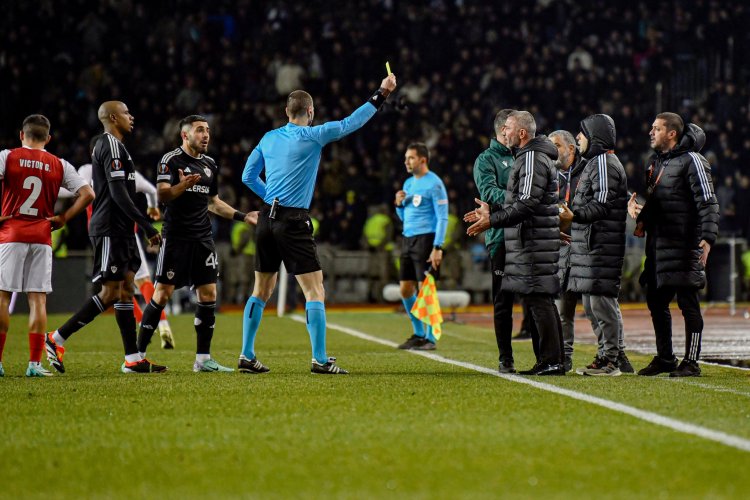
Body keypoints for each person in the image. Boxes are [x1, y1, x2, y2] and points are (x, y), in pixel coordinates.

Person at [240, 73, 398, 375]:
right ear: (310, 112)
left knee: (260, 289)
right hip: (292, 220)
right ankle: (320, 359)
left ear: (287, 112)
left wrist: (271, 198)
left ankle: (246, 355)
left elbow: (247, 176)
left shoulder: (268, 138)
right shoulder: (313, 135)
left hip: (265, 219)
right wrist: (382, 93)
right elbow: (351, 123)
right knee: (314, 290)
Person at [45, 101, 166, 374]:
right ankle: (56, 338)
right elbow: (118, 193)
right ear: (112, 117)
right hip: (110, 227)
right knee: (111, 292)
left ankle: (133, 359)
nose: (131, 116)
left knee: (125, 288)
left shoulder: (119, 147)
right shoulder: (109, 144)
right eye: (126, 112)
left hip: (120, 229)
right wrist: (146, 226)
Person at [135, 115, 257, 372]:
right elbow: (163, 194)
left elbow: (213, 202)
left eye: (208, 131)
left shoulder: (210, 164)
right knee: (162, 294)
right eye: (200, 130)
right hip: (176, 237)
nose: (206, 135)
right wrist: (182, 185)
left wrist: (243, 217)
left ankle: (203, 359)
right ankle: (137, 357)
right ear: (185, 135)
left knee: (209, 293)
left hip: (202, 238)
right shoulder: (170, 160)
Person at [466, 110, 564, 376]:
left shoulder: (530, 157)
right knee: (517, 299)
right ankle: (518, 358)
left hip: (526, 236)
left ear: (519, 132)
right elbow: (499, 193)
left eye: (510, 127)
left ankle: (550, 360)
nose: (507, 132)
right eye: (505, 127)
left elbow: (527, 200)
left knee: (535, 297)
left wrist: (493, 217)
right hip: (510, 237)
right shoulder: (492, 159)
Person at [0, 115, 94, 377]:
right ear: (48, 139)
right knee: (38, 300)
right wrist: (64, 217)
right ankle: (33, 364)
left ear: (22, 135)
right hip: (42, 236)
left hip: (11, 234)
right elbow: (88, 193)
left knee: (3, 297)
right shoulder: (60, 164)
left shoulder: (7, 156)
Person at [629, 113, 719, 377]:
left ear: (672, 134)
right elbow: (662, 205)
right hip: (659, 244)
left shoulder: (693, 161)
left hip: (684, 244)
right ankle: (666, 358)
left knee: (688, 301)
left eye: (656, 128)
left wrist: (708, 237)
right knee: (656, 301)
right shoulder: (654, 163)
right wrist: (640, 213)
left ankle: (691, 362)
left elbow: (708, 201)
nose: (650, 132)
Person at [59, 161, 176, 348]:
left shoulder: (88, 170)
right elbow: (151, 190)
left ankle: (58, 337)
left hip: (105, 234)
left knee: (116, 289)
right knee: (141, 282)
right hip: (129, 232)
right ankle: (161, 325)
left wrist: (45, 188)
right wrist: (152, 207)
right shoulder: (128, 169)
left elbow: (74, 190)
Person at [559, 115, 631, 376]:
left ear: (596, 137)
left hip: (600, 245)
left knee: (601, 303)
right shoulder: (596, 162)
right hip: (590, 245)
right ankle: (605, 356)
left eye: (583, 133)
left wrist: (573, 216)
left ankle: (611, 360)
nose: (579, 138)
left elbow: (602, 205)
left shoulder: (603, 162)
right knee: (592, 304)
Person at [472, 109, 517, 371]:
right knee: (503, 301)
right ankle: (506, 357)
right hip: (500, 237)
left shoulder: (522, 155)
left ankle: (542, 357)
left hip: (526, 237)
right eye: (513, 126)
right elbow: (488, 191)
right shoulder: (486, 159)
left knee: (534, 297)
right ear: (503, 130)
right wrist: (522, 198)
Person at [394, 142, 449, 351]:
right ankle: (418, 333)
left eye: (411, 158)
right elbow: (404, 216)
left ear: (423, 160)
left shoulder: (434, 184)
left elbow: (442, 217)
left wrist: (438, 246)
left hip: (427, 239)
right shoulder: (408, 184)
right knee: (405, 289)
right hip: (408, 239)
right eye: (406, 158)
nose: (406, 162)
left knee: (425, 289)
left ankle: (430, 337)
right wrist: (399, 205)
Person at [548, 129, 584, 372]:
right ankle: (565, 356)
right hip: (559, 248)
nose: (553, 151)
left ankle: (614, 353)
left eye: (557, 146)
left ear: (571, 149)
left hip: (584, 246)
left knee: (597, 306)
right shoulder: (548, 174)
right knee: (564, 307)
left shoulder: (587, 170)